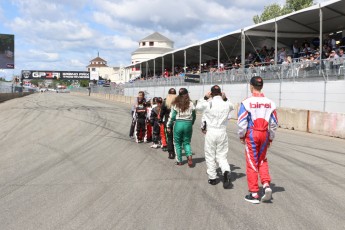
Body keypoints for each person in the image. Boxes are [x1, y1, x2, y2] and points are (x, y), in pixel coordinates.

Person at [237, 76, 278, 204]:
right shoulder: (271, 103)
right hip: (265, 133)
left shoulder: (246, 102)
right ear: (262, 86)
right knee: (262, 159)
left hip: (252, 133)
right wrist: (270, 138)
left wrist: (242, 136)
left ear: (251, 86)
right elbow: (274, 123)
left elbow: (242, 122)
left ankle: (254, 193)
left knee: (251, 162)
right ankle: (266, 184)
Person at [196, 85, 234, 189]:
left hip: (211, 131)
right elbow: (232, 106)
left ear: (211, 93)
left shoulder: (208, 103)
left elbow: (197, 107)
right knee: (222, 155)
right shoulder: (226, 104)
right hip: (222, 131)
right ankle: (226, 170)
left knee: (210, 155)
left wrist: (204, 97)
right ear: (221, 93)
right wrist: (225, 98)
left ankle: (212, 178)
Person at [167, 88, 196, 166]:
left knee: (177, 143)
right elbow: (194, 115)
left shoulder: (175, 103)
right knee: (186, 142)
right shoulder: (191, 103)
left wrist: (168, 126)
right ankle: (189, 155)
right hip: (188, 124)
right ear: (187, 94)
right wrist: (191, 123)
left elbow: (172, 116)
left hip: (178, 123)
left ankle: (179, 160)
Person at [160, 88, 177, 158]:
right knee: (176, 138)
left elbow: (161, 113)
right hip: (176, 122)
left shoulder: (165, 102)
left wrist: (160, 120)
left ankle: (171, 153)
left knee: (170, 138)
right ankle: (176, 152)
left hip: (168, 122)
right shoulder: (178, 101)